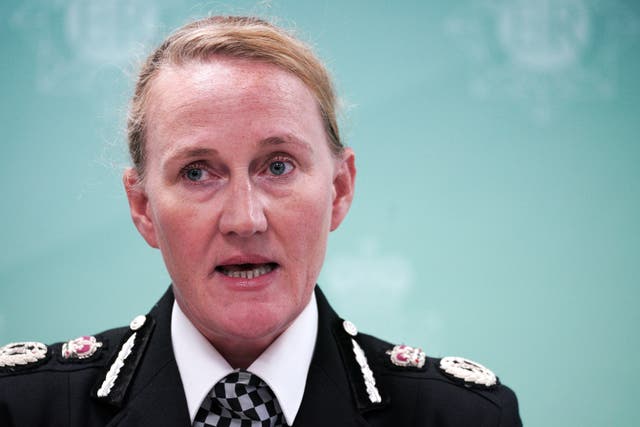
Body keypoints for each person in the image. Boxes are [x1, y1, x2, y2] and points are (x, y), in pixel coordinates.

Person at [0, 16, 521, 426]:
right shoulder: (21, 408)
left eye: (277, 166)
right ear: (143, 209)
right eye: (197, 172)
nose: (244, 220)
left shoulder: (462, 417)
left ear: (339, 188)